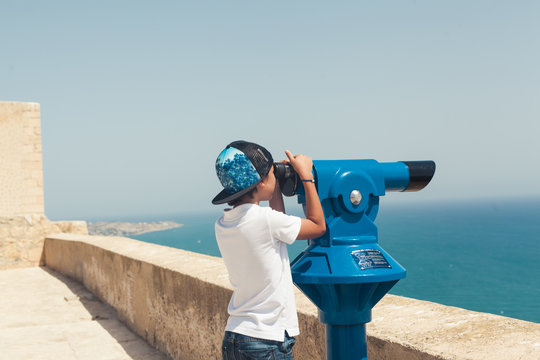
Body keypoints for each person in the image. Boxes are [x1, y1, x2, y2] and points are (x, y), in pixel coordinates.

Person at [212, 140, 326, 360]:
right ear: (263, 182)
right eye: (272, 175)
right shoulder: (266, 221)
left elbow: (275, 221)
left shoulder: (223, 224)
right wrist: (306, 176)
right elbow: (317, 225)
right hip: (265, 340)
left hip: (235, 336)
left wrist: (271, 176)